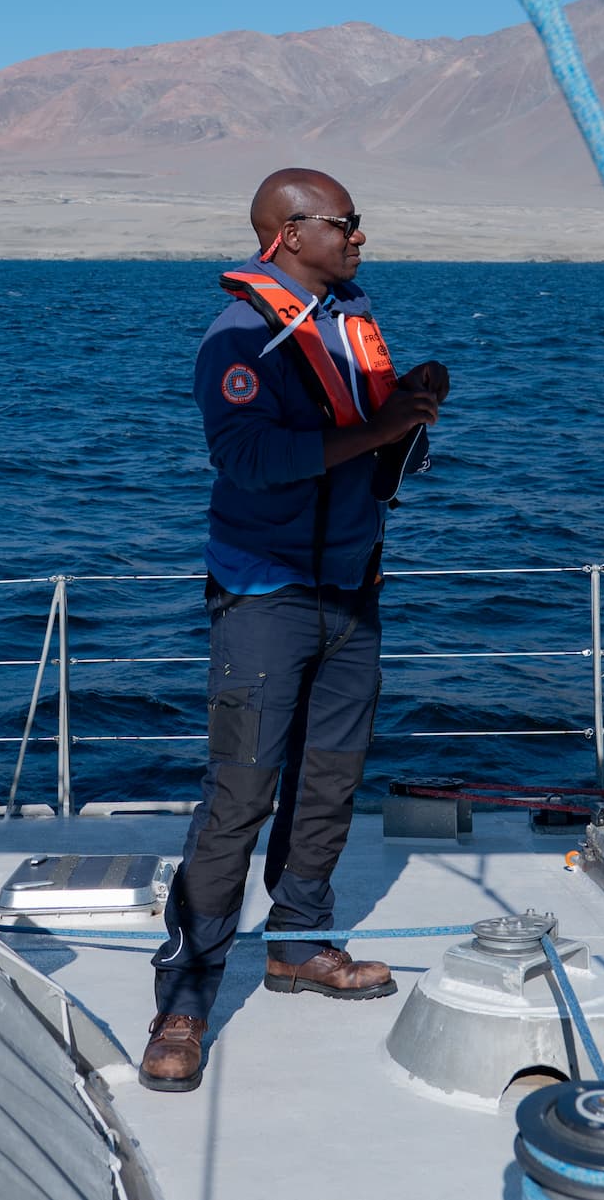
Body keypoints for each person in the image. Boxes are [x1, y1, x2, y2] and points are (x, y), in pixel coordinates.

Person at [140, 168, 449, 1094]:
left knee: (331, 778)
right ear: (286, 234)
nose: (361, 236)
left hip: (353, 588)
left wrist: (412, 407)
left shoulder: (347, 319)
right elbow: (251, 457)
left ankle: (301, 942)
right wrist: (380, 426)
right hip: (265, 597)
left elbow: (374, 439)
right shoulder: (240, 337)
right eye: (346, 223)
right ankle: (186, 995)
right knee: (239, 792)